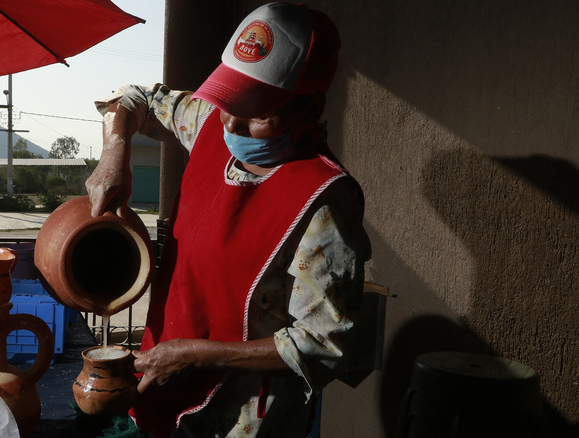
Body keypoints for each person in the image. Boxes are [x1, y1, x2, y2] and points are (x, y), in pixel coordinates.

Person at [85, 2, 371, 437]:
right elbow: (134, 98)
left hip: (242, 415)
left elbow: (323, 341)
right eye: (226, 102)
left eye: (256, 113)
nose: (231, 123)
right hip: (163, 375)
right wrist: (114, 154)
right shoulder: (209, 124)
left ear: (309, 110)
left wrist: (196, 354)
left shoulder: (325, 200)